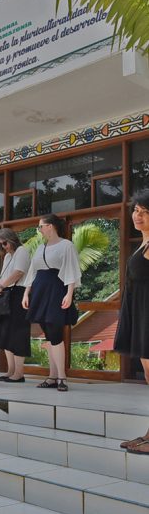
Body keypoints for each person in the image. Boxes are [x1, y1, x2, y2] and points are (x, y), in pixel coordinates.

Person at [22, 214, 81, 392]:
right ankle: (53, 376)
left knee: (55, 332)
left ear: (50, 226)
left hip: (56, 291)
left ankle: (61, 377)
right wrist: (26, 293)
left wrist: (69, 294)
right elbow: (32, 272)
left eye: (41, 226)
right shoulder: (40, 248)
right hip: (39, 292)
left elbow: (72, 269)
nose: (39, 230)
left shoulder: (66, 245)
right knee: (48, 334)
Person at [113, 189, 149, 454]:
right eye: (136, 210)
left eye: (145, 212)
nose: (138, 216)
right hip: (141, 315)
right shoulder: (143, 243)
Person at [0, 228, 31, 383]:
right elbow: (6, 276)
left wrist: (0, 287)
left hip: (19, 293)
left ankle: (19, 373)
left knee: (18, 331)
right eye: (1, 244)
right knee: (5, 332)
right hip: (8, 294)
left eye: (5, 243)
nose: (4, 246)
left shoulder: (21, 251)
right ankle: (11, 370)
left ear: (12, 239)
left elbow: (18, 273)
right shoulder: (8, 256)